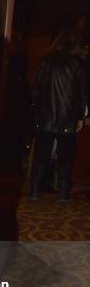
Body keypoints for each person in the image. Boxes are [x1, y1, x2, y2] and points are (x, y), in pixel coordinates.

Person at [29, 29, 88, 202]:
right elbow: (82, 94)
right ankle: (63, 194)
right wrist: (80, 117)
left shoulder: (45, 61)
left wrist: (37, 112)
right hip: (68, 118)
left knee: (42, 155)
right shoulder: (77, 65)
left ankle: (34, 191)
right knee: (65, 157)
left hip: (45, 116)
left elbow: (34, 89)